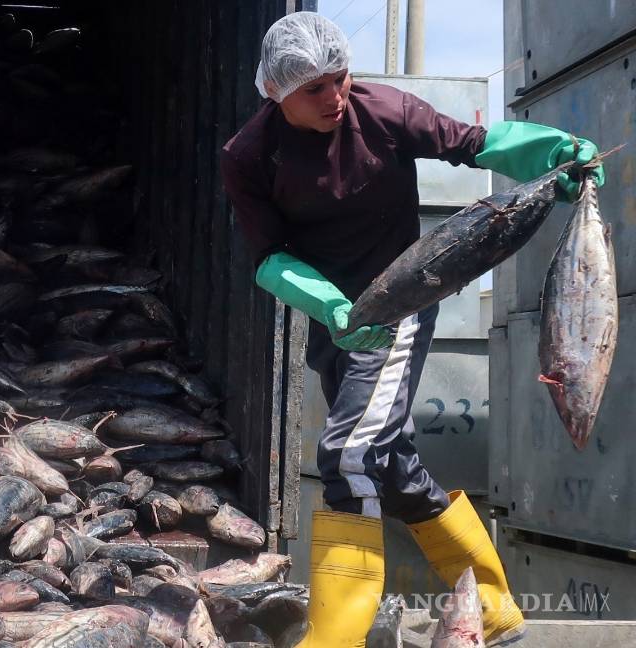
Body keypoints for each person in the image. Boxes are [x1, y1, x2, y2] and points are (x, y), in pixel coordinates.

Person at [220, 12, 603, 648]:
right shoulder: (249, 155)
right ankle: (495, 605)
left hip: (402, 298)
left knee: (348, 453)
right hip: (336, 319)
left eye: (340, 79)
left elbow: (473, 142)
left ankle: (337, 635)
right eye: (314, 89)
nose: (334, 97)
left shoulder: (384, 111)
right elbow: (267, 257)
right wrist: (333, 309)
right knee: (391, 465)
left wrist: (553, 152)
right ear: (274, 92)